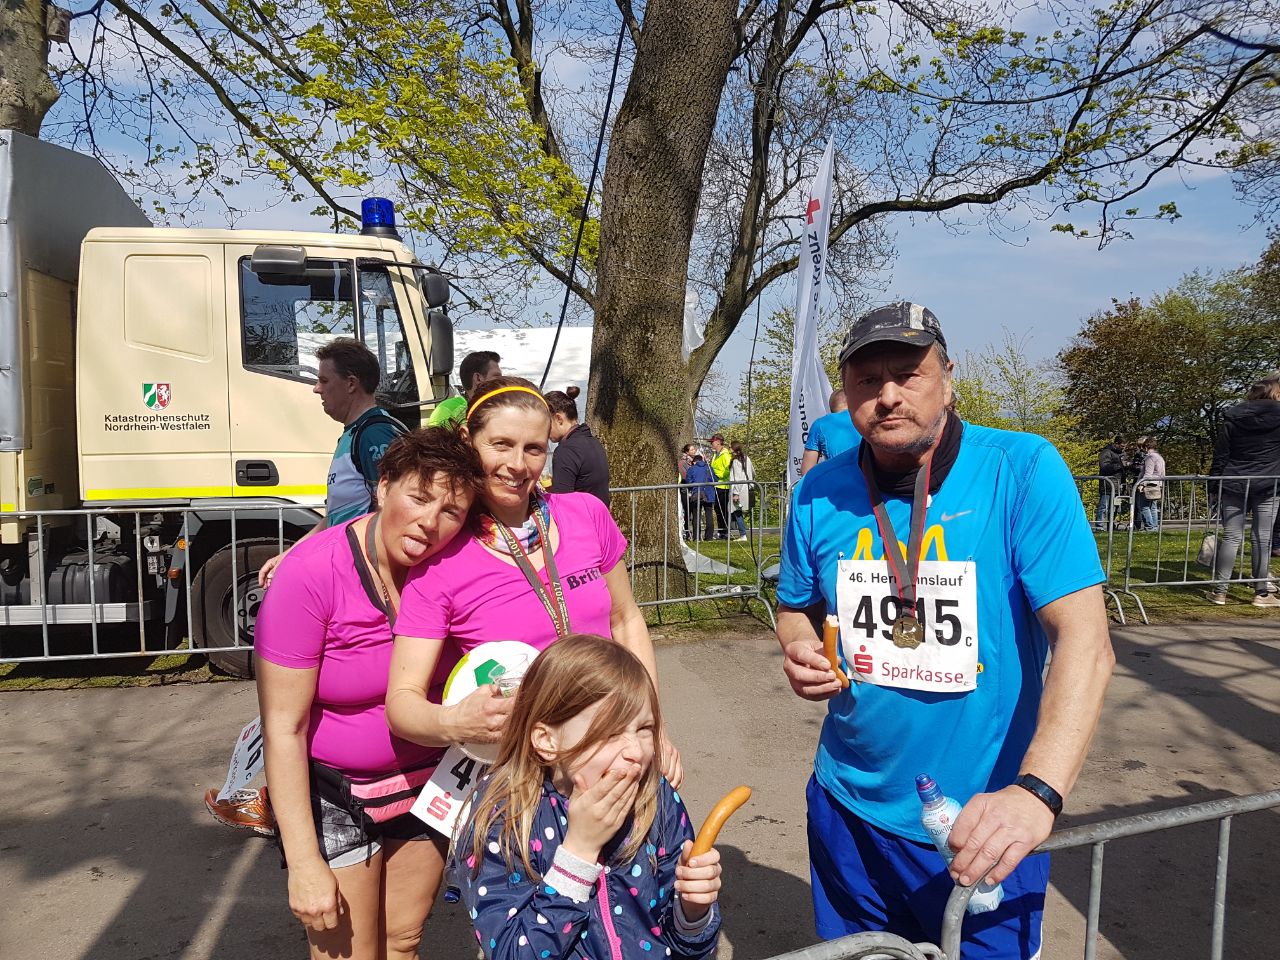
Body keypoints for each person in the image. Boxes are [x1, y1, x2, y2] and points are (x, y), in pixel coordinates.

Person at [775, 301, 1114, 960]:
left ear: (948, 378)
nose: (888, 395)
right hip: (849, 805)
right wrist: (799, 647)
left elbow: (1087, 644)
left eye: (908, 373)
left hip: (981, 822)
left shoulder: (1020, 469)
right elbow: (796, 607)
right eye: (868, 380)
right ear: (846, 392)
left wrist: (1036, 792)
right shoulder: (816, 492)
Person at [254, 429, 486, 960]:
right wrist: (304, 862)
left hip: (429, 785)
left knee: (402, 941)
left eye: (451, 511)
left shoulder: (452, 568)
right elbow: (284, 726)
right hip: (339, 793)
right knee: (348, 954)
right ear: (383, 487)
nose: (430, 522)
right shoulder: (310, 575)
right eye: (419, 497)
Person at [386, 376, 683, 786]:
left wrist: (653, 728)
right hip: (521, 777)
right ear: (469, 441)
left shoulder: (587, 514)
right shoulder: (442, 560)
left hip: (616, 750)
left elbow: (626, 620)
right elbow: (402, 704)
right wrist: (454, 721)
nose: (517, 465)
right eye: (501, 444)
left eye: (534, 449)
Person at [206, 338, 405, 835]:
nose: (316, 390)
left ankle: (281, 802)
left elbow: (392, 512)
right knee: (294, 702)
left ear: (351, 384)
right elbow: (337, 515)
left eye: (323, 380)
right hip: (340, 576)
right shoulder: (354, 434)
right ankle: (272, 798)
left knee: (303, 702)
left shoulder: (376, 434)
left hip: (358, 589)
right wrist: (294, 554)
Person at [453, 634, 722, 960]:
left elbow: (687, 947)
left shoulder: (655, 797)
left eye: (644, 729)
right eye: (610, 732)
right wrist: (578, 853)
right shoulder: (504, 817)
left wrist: (692, 912)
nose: (636, 751)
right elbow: (512, 952)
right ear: (547, 740)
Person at [1206, 373, 1280, 607]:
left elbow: (1221, 454)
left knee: (1232, 536)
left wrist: (1213, 484)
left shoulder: (1233, 417)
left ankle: (1220, 591)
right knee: (1262, 538)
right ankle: (1261, 593)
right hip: (1269, 483)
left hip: (1234, 481)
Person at [546, 385, 611, 505]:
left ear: (559, 419)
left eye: (546, 423)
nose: (544, 430)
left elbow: (562, 502)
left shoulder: (566, 451)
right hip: (599, 513)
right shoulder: (593, 442)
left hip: (580, 515)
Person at [427, 350, 503, 429]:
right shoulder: (447, 410)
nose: (502, 380)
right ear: (478, 378)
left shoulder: (503, 407)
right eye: (497, 376)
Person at [801, 389, 860, 475]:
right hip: (870, 479)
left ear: (831, 408)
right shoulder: (863, 419)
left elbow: (807, 471)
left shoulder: (820, 424)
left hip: (838, 479)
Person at [1133, 437, 1166, 532]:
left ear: (1146, 447)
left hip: (1149, 484)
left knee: (1143, 506)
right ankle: (1154, 527)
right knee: (1153, 507)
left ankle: (1149, 527)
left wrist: (1141, 484)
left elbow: (1148, 473)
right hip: (1157, 483)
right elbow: (1162, 473)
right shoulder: (1159, 457)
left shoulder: (1150, 458)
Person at [683, 453, 717, 542]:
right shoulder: (709, 468)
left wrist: (692, 488)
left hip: (696, 493)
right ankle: (709, 537)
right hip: (709, 493)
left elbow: (688, 481)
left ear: (694, 462)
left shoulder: (691, 469)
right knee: (709, 514)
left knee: (696, 515)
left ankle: (696, 537)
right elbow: (715, 479)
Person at [728, 441, 756, 541]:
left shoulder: (736, 461)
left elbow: (737, 478)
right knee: (739, 511)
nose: (729, 449)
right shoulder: (747, 458)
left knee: (737, 512)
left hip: (739, 489)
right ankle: (743, 533)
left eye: (730, 447)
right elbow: (753, 472)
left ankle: (743, 534)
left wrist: (736, 493)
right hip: (747, 487)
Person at [1096, 436, 1125, 528]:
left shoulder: (1120, 454)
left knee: (1115, 506)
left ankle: (1111, 525)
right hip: (1107, 484)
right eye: (1122, 446)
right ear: (1116, 443)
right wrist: (1120, 466)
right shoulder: (1106, 452)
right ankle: (1099, 525)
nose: (1123, 448)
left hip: (1118, 484)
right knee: (1104, 506)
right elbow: (1104, 467)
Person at [708, 434, 733, 538]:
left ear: (718, 442)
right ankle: (721, 531)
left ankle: (726, 531)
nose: (711, 444)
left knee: (723, 509)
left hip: (723, 486)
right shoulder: (715, 454)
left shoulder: (725, 455)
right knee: (718, 509)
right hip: (716, 485)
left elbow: (729, 469)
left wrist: (718, 476)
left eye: (712, 442)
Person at [678, 443, 700, 540]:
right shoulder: (682, 462)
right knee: (687, 511)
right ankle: (686, 531)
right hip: (685, 489)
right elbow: (684, 476)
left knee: (694, 511)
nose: (694, 451)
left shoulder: (695, 461)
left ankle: (695, 533)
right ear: (687, 452)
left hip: (694, 489)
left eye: (694, 449)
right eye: (691, 450)